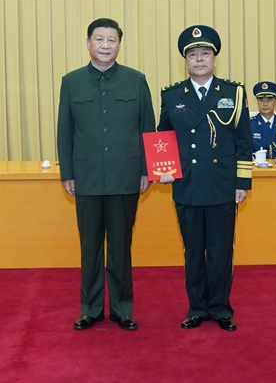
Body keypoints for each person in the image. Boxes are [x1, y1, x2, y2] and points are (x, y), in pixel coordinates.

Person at [56, 18, 156, 332]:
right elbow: (64, 131)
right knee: (90, 247)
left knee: (120, 247)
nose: (105, 45)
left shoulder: (135, 80)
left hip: (126, 176)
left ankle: (122, 309)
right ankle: (91, 309)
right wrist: (67, 172)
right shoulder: (72, 81)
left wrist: (147, 169)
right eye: (99, 39)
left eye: (111, 40)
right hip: (85, 177)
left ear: (119, 45)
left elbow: (148, 127)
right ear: (88, 43)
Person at [157, 25, 252, 332]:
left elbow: (243, 140)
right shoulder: (172, 95)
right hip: (187, 184)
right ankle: (197, 307)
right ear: (185, 61)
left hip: (222, 184)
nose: (199, 59)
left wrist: (242, 182)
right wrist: (162, 169)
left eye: (205, 54)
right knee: (194, 252)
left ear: (214, 59)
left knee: (221, 251)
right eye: (193, 55)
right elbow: (163, 137)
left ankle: (221, 308)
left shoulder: (233, 93)